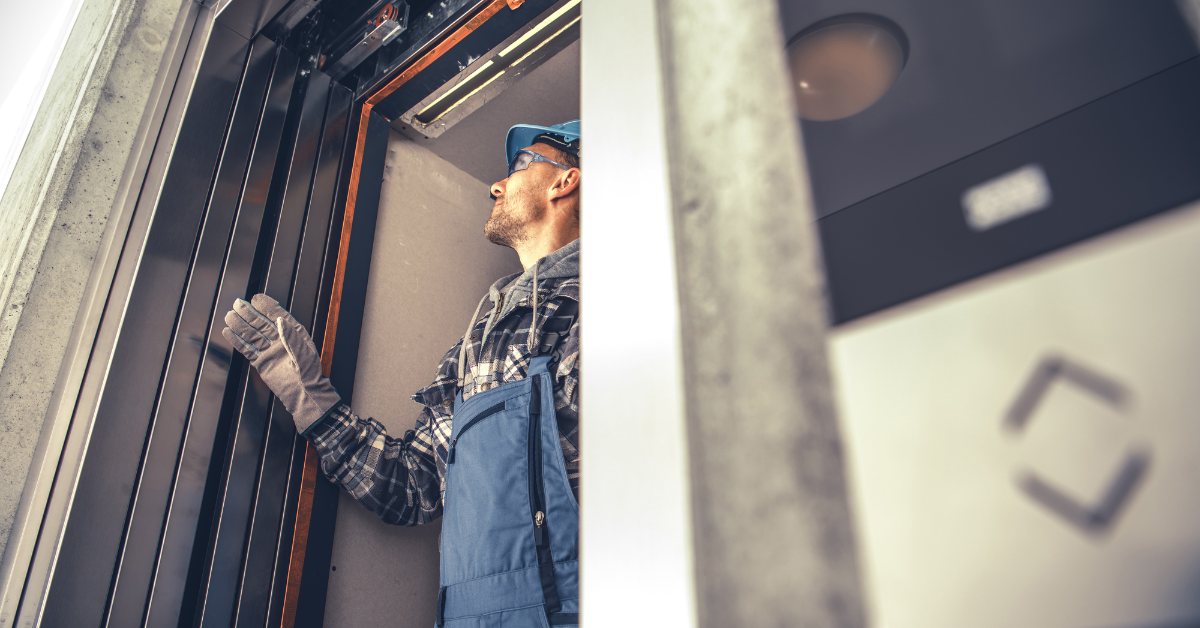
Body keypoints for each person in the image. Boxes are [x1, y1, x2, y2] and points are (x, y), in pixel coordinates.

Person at [222, 121, 582, 627]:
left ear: (565, 181)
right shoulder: (477, 344)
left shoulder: (603, 307)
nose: (497, 185)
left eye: (521, 164)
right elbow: (412, 487)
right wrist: (309, 395)